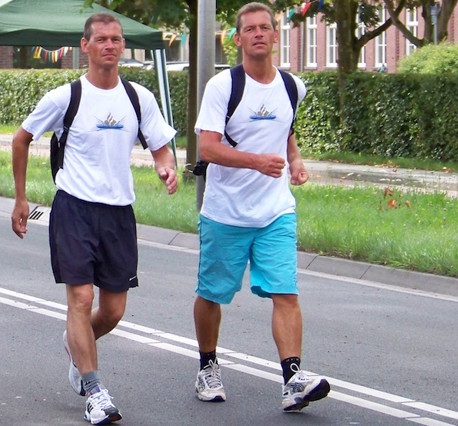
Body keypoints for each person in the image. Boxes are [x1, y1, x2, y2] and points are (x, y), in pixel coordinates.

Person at [10, 13, 178, 426]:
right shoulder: (65, 97)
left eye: (116, 39)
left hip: (119, 213)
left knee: (114, 310)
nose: (109, 45)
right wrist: (20, 198)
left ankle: (75, 345)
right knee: (81, 300)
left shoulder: (139, 97)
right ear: (84, 46)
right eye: (101, 39)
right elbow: (21, 138)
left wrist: (165, 166)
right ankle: (94, 390)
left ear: (123, 46)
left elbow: (160, 146)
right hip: (74, 209)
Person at [191, 2, 331, 412]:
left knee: (285, 292)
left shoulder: (292, 87)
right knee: (212, 293)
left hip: (275, 211)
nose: (257, 34)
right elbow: (208, 147)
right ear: (237, 39)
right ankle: (208, 366)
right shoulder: (223, 87)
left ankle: (293, 379)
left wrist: (296, 159)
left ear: (275, 35)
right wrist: (257, 161)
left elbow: (284, 132)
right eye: (249, 29)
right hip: (225, 213)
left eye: (264, 28)